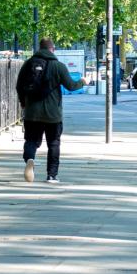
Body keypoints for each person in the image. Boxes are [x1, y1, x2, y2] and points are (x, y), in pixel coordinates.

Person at [15, 38, 84, 183]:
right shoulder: (58, 66)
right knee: (53, 143)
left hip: (32, 113)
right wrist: (83, 82)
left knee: (31, 140)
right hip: (53, 114)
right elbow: (71, 86)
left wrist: (23, 102)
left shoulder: (28, 64)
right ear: (52, 49)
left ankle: (30, 159)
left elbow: (19, 85)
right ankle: (51, 175)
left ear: (40, 49)